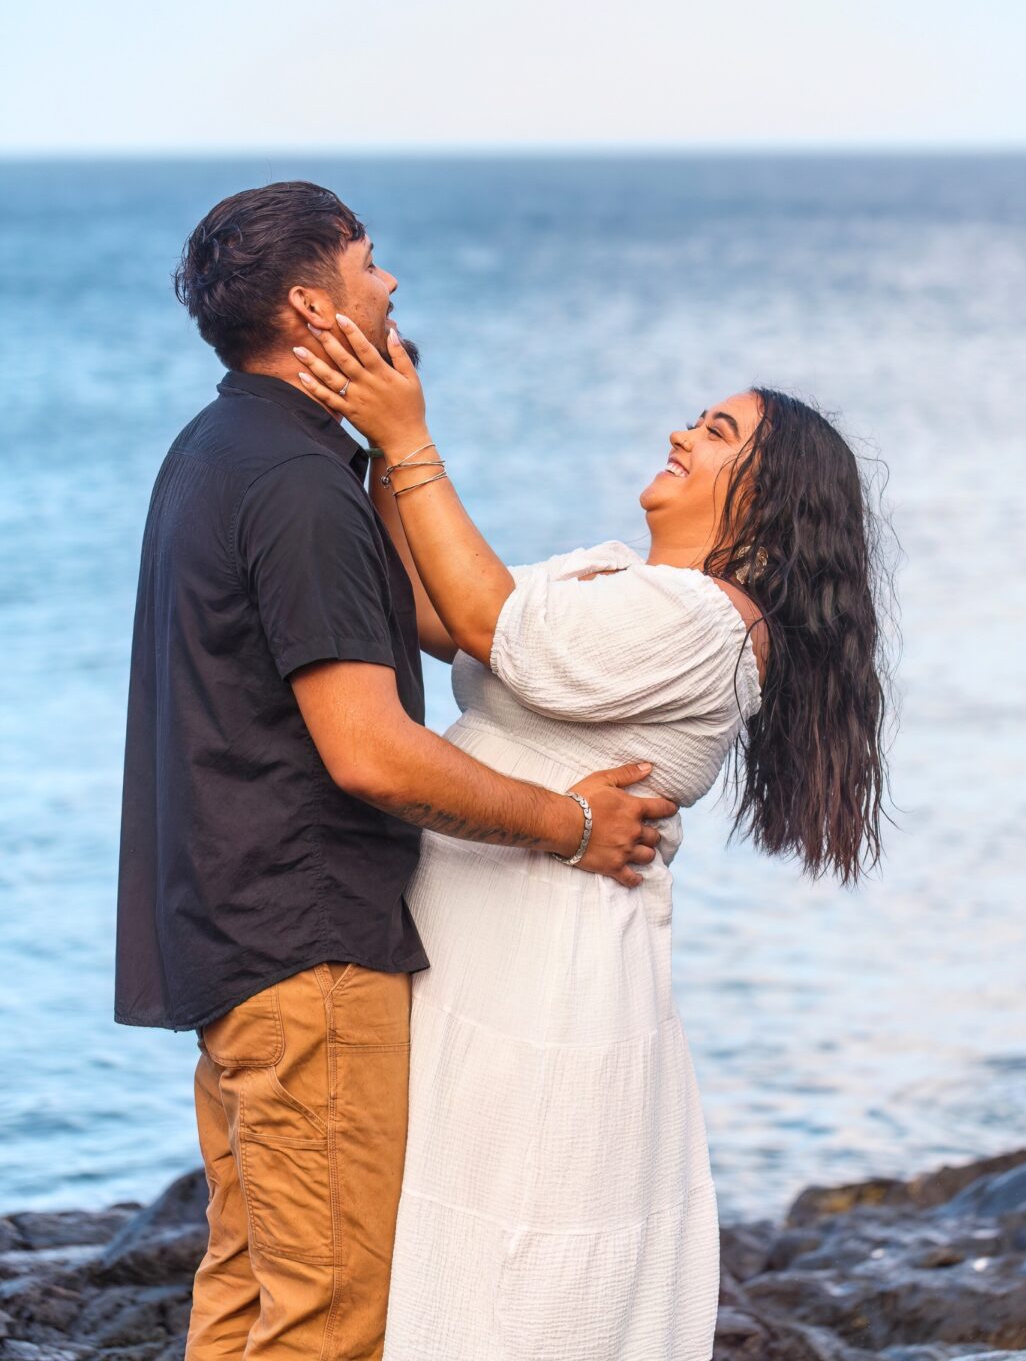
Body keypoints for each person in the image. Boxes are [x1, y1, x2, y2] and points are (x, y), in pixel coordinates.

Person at [115, 181, 677, 1361]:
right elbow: (368, 750)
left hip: (233, 939)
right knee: (332, 1320)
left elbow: (437, 623)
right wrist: (566, 823)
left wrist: (398, 454)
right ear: (316, 304)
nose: (394, 282)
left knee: (247, 1289)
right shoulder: (293, 485)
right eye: (372, 264)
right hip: (308, 950)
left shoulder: (230, 449)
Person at [293, 313, 893, 1360]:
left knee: (520, 1268)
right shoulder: (613, 576)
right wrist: (384, 438)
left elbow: (493, 631)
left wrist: (407, 440)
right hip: (482, 953)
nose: (679, 434)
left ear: (763, 498)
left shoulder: (710, 622)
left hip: (545, 978)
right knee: (450, 1246)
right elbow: (439, 614)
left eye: (714, 432)